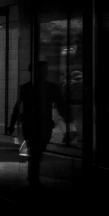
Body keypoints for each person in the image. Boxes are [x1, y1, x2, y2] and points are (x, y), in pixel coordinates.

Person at [6, 61, 70, 190]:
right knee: (37, 151)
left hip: (30, 124)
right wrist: (69, 121)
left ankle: (32, 174)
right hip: (43, 124)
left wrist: (11, 125)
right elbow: (61, 105)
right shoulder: (51, 87)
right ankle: (33, 176)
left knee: (35, 150)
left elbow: (17, 108)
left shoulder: (25, 88)